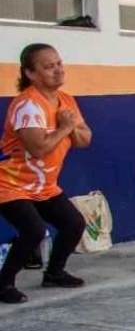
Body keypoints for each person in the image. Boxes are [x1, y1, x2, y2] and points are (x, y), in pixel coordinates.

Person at [0, 43, 90, 304]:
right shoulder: (28, 105)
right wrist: (65, 128)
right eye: (49, 66)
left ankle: (54, 273)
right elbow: (38, 148)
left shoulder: (66, 100)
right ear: (30, 73)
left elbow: (85, 139)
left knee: (73, 223)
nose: (58, 70)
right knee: (33, 231)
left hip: (44, 185)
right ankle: (3, 284)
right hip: (10, 182)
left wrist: (69, 128)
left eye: (59, 64)